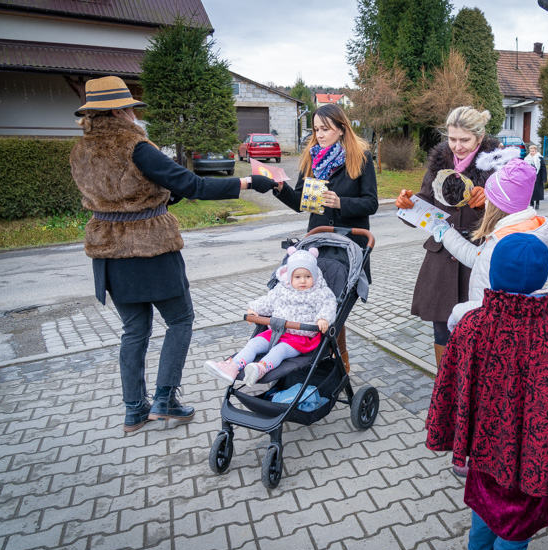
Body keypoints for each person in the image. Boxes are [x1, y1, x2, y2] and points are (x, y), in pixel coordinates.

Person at [68, 76, 277, 433]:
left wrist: (163, 195)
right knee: (180, 320)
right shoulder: (136, 146)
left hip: (107, 251)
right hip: (150, 248)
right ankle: (165, 400)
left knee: (134, 331)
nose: (134, 114)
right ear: (119, 111)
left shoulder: (80, 151)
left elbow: (125, 193)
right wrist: (246, 182)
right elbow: (193, 184)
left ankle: (134, 410)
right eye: (131, 108)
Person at [426, 233, 548, 550]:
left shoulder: (472, 326)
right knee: (515, 528)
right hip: (532, 459)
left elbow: (449, 387)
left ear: (493, 273)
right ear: (542, 277)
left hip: (483, 450)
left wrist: (451, 432)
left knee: (483, 502)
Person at [272, 103, 377, 372]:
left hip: (348, 246)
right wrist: (279, 187)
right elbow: (299, 202)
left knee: (335, 306)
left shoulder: (360, 158)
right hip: (318, 242)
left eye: (325, 129)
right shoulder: (311, 159)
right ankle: (324, 364)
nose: (319, 134)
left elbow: (371, 203)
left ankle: (340, 362)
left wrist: (342, 202)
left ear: (341, 129)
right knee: (316, 305)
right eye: (316, 129)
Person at [394, 106, 499, 369]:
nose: (457, 146)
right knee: (441, 330)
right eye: (452, 139)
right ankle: (446, 388)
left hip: (476, 256)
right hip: (441, 257)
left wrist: (487, 205)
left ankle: (473, 387)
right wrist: (407, 205)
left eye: (464, 140)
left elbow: (510, 212)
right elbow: (425, 202)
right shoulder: (439, 162)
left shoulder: (495, 165)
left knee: (476, 331)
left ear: (479, 137)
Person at [437, 157, 548, 332]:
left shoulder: (506, 247)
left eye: (488, 198)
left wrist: (458, 313)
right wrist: (445, 233)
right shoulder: (523, 234)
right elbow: (478, 258)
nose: (484, 202)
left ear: (495, 205)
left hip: (491, 334)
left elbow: (496, 305)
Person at [204, 247, 336, 387]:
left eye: (307, 276)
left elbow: (329, 305)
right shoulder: (281, 289)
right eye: (297, 277)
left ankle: (261, 368)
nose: (302, 281)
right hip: (276, 332)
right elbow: (267, 301)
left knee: (279, 351)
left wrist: (323, 319)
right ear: (289, 276)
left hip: (300, 338)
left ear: (315, 276)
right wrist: (253, 309)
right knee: (253, 344)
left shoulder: (320, 292)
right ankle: (232, 367)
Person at [524, 144, 547, 210]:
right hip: (530, 177)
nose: (531, 152)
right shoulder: (527, 159)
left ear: (536, 151)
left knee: (537, 191)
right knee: (530, 190)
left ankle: (537, 203)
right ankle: (531, 203)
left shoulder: (539, 158)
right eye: (530, 151)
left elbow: (543, 168)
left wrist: (544, 178)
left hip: (538, 177)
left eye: (533, 151)